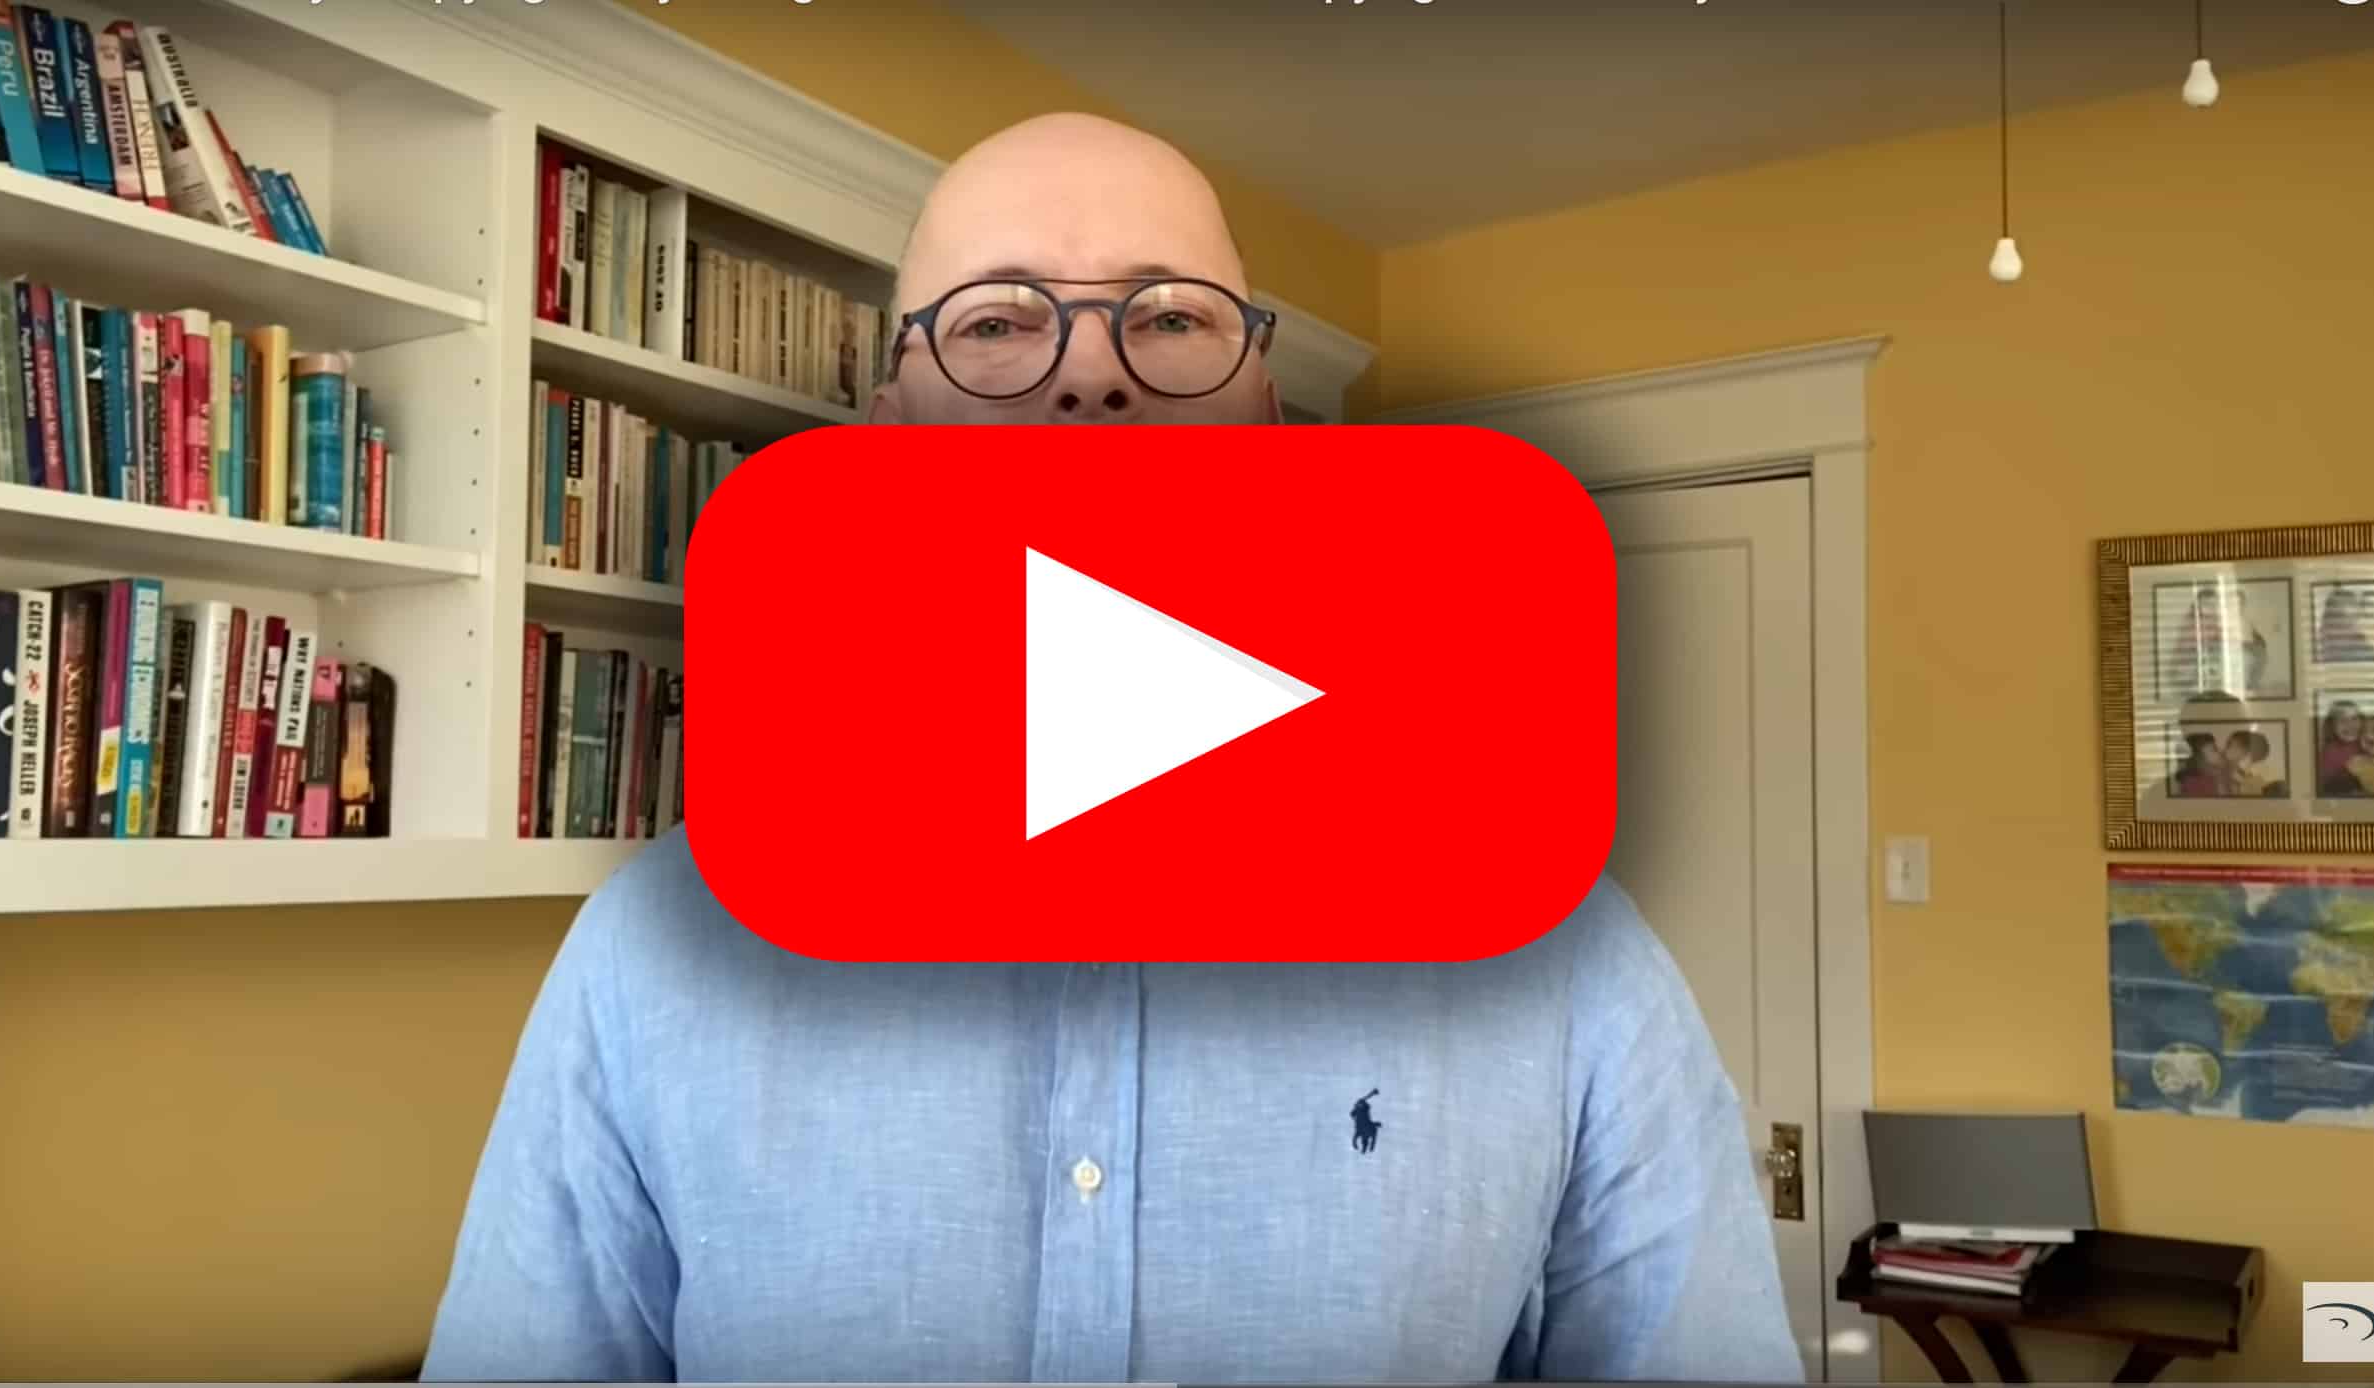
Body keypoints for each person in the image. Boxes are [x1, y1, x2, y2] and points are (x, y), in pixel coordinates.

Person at [420, 113, 1800, 1384]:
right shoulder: (653, 953)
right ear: (893, 427)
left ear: (1268, 420)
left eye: (1172, 317)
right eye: (999, 322)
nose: (1088, 375)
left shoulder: (1562, 958)